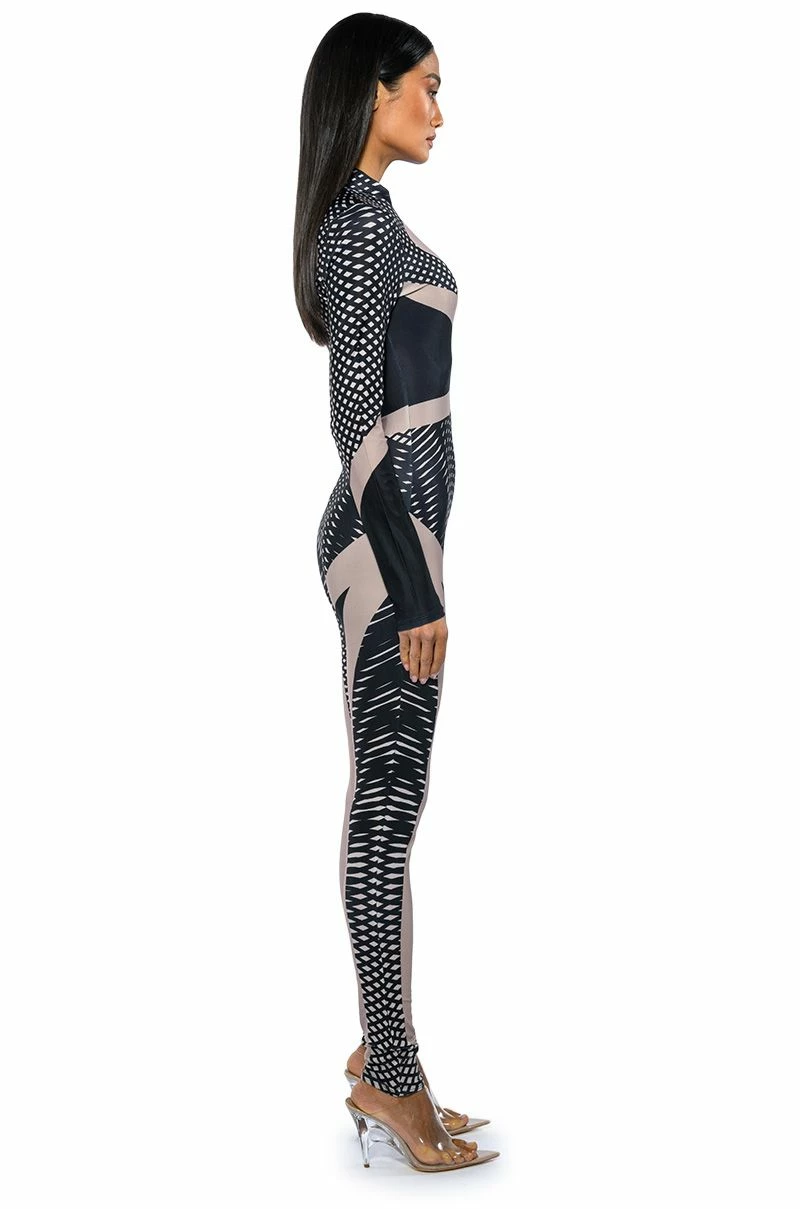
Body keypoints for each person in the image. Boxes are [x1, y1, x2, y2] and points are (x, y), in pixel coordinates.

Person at [293, 14, 500, 1172]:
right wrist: (415, 590)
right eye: (423, 85)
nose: (438, 109)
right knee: (385, 804)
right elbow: (353, 419)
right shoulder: (357, 224)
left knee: (392, 799)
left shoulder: (372, 218)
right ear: (369, 94)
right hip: (387, 555)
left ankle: (388, 1051)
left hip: (399, 547)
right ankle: (393, 1078)